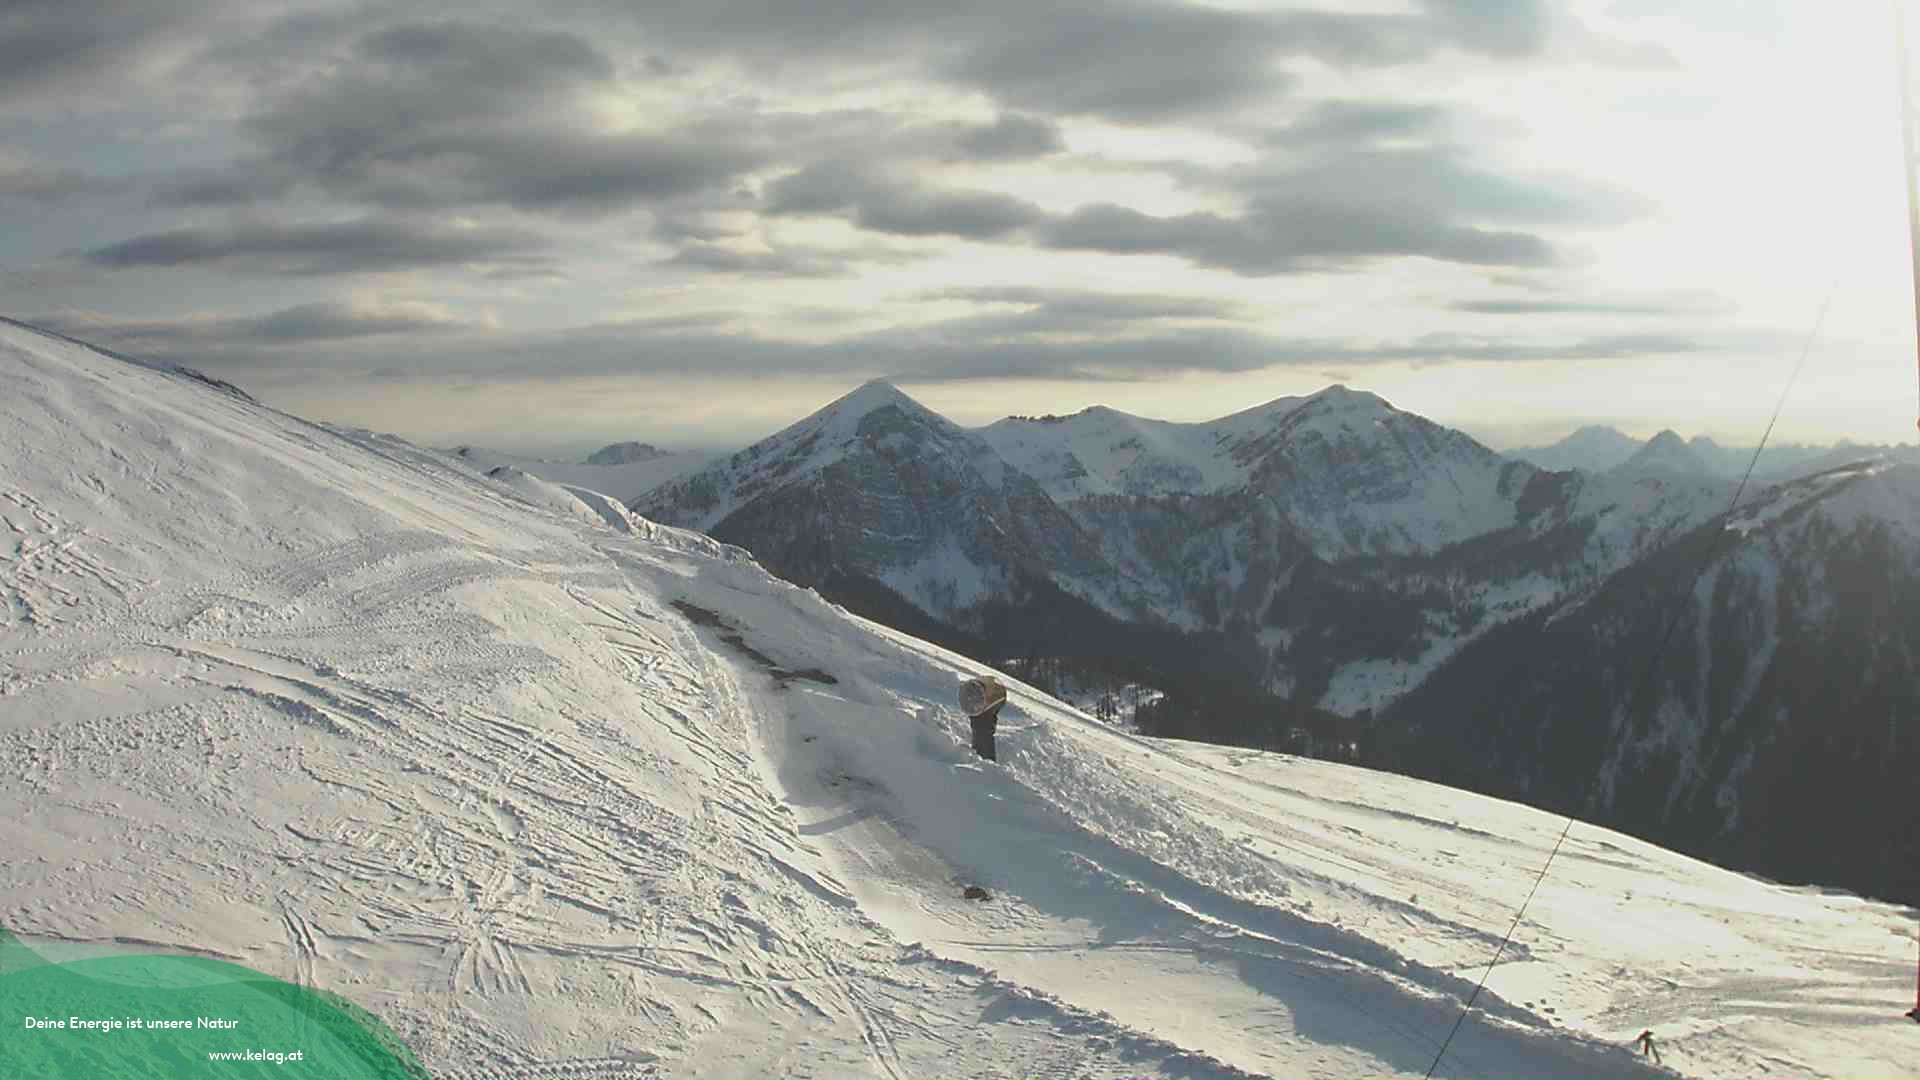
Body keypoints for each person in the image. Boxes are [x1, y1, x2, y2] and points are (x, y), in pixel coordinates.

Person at [959, 675, 1007, 762]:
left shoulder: (985, 720)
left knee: (983, 734)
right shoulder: (978, 712)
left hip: (987, 710)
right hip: (985, 708)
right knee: (981, 732)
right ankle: (982, 761)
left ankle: (985, 763)